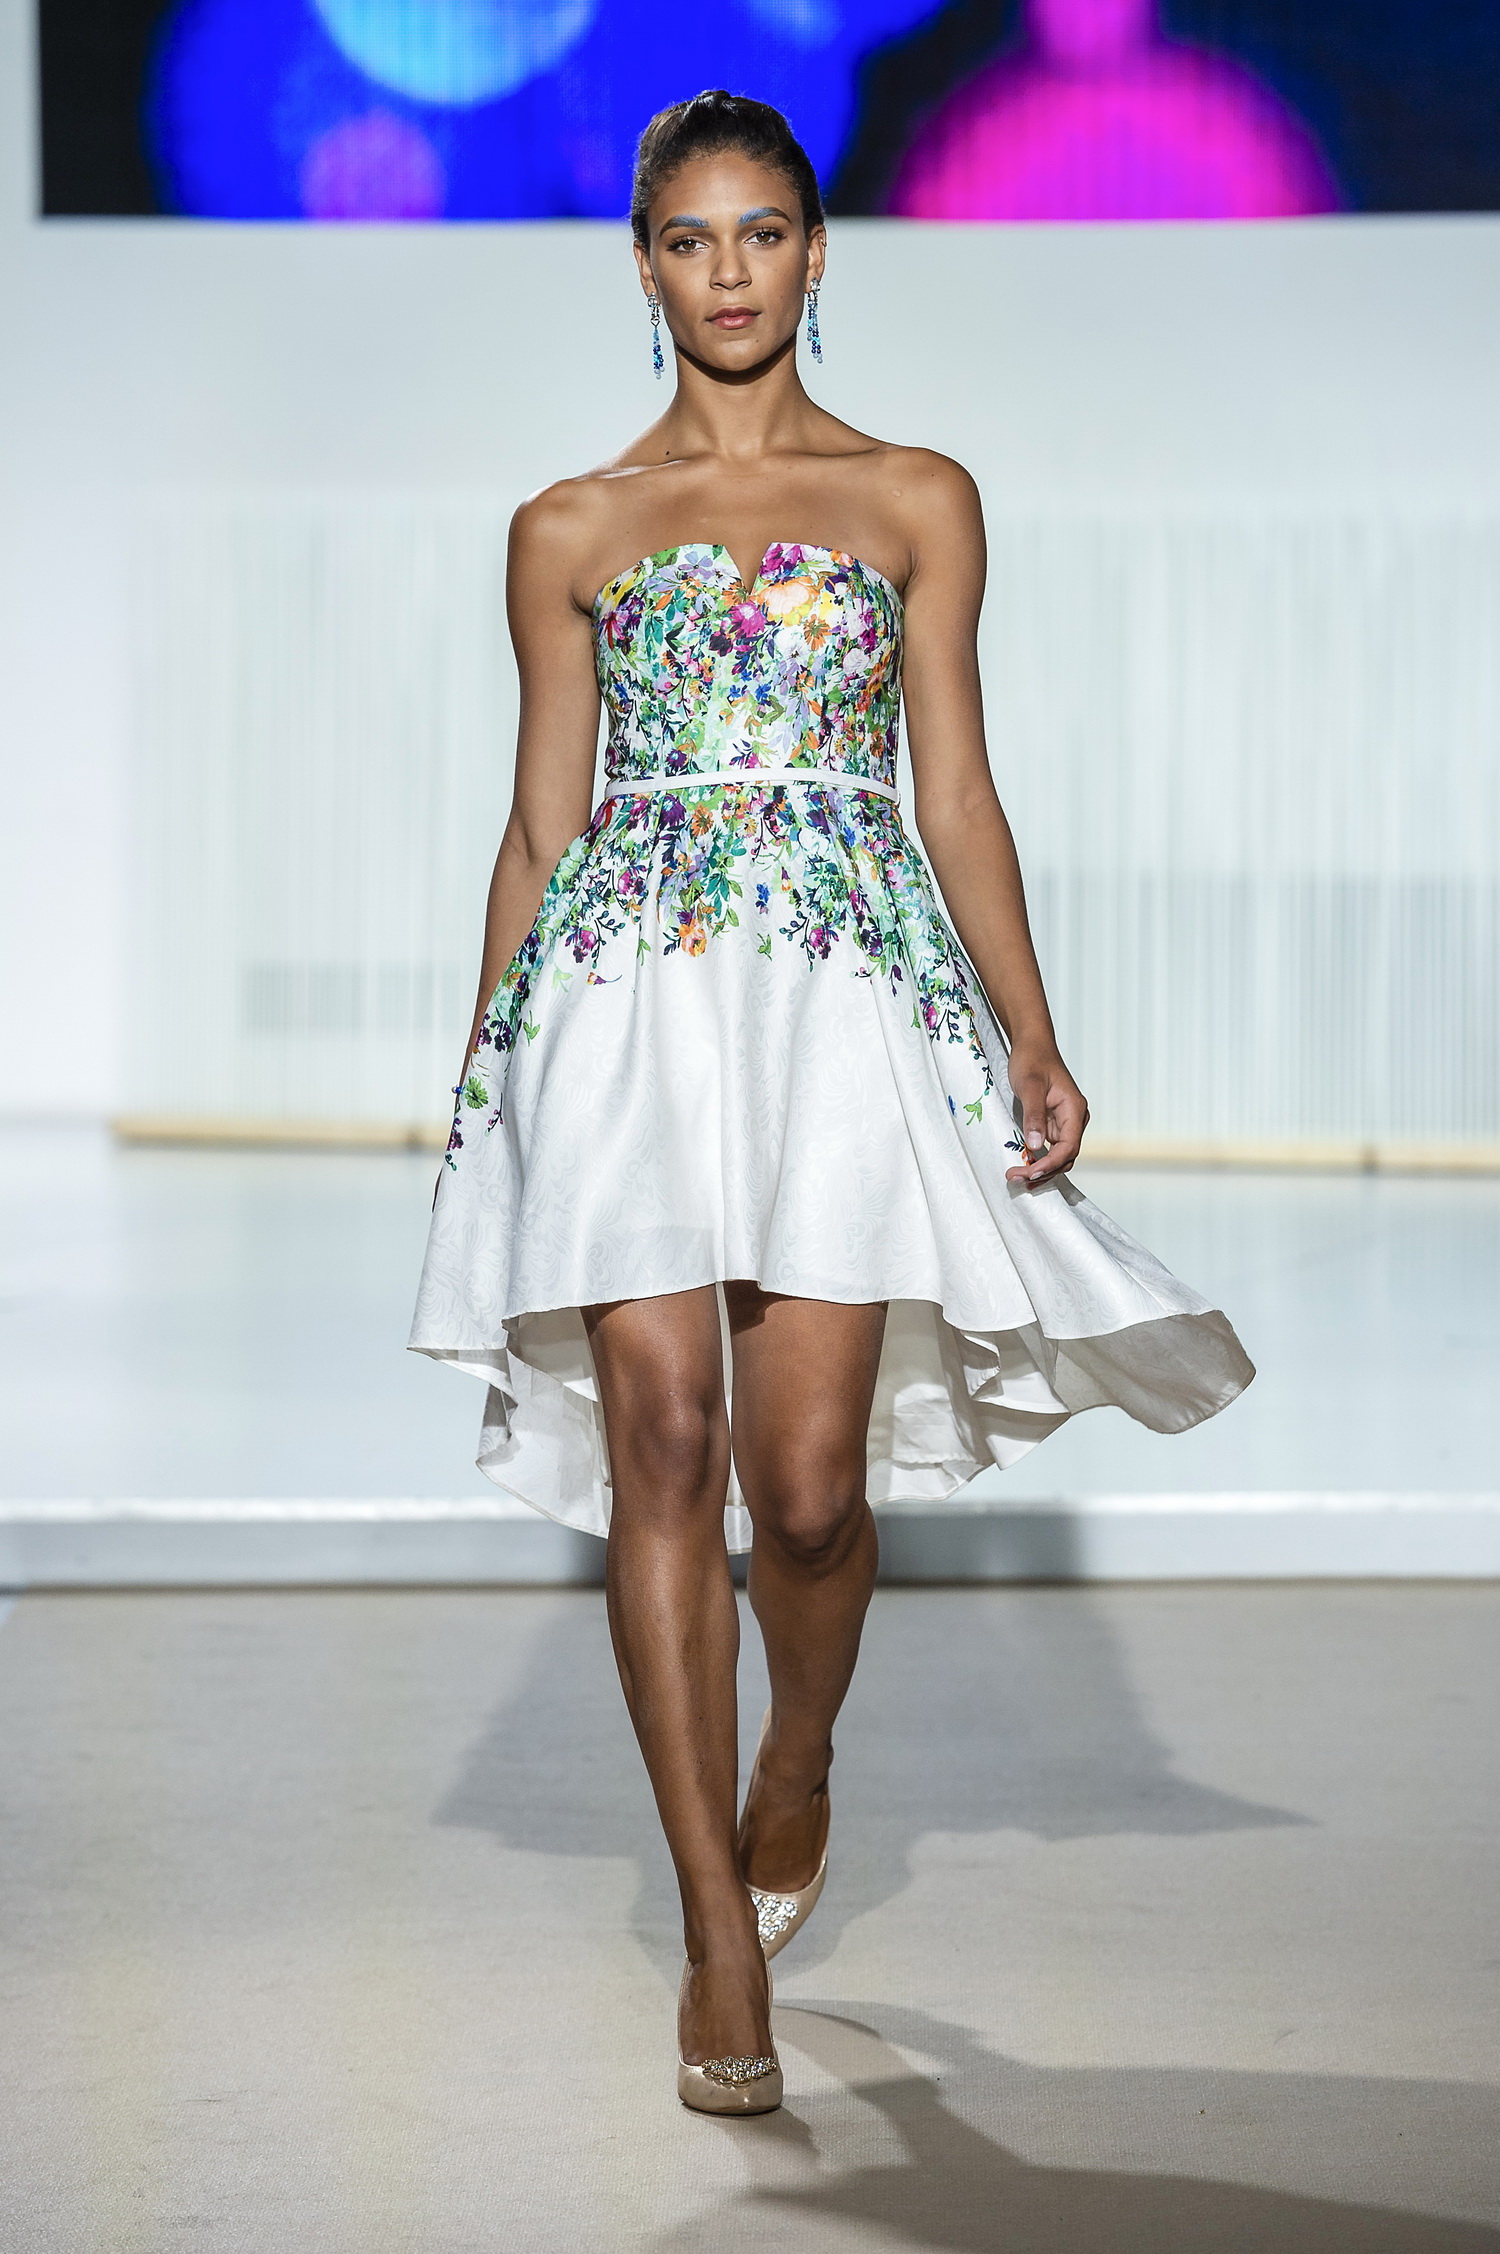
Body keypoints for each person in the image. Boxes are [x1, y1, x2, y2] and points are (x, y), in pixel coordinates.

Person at [410, 88, 1253, 2115]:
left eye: (764, 232)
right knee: (664, 1443)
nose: (729, 271)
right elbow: (540, 826)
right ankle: (715, 1925)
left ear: (814, 249)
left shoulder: (916, 498)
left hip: (843, 996)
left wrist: (1030, 1026)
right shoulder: (567, 527)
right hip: (625, 999)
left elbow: (954, 784)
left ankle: (796, 1755)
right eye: (690, 238)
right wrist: (490, 1067)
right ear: (642, 264)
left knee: (803, 1491)